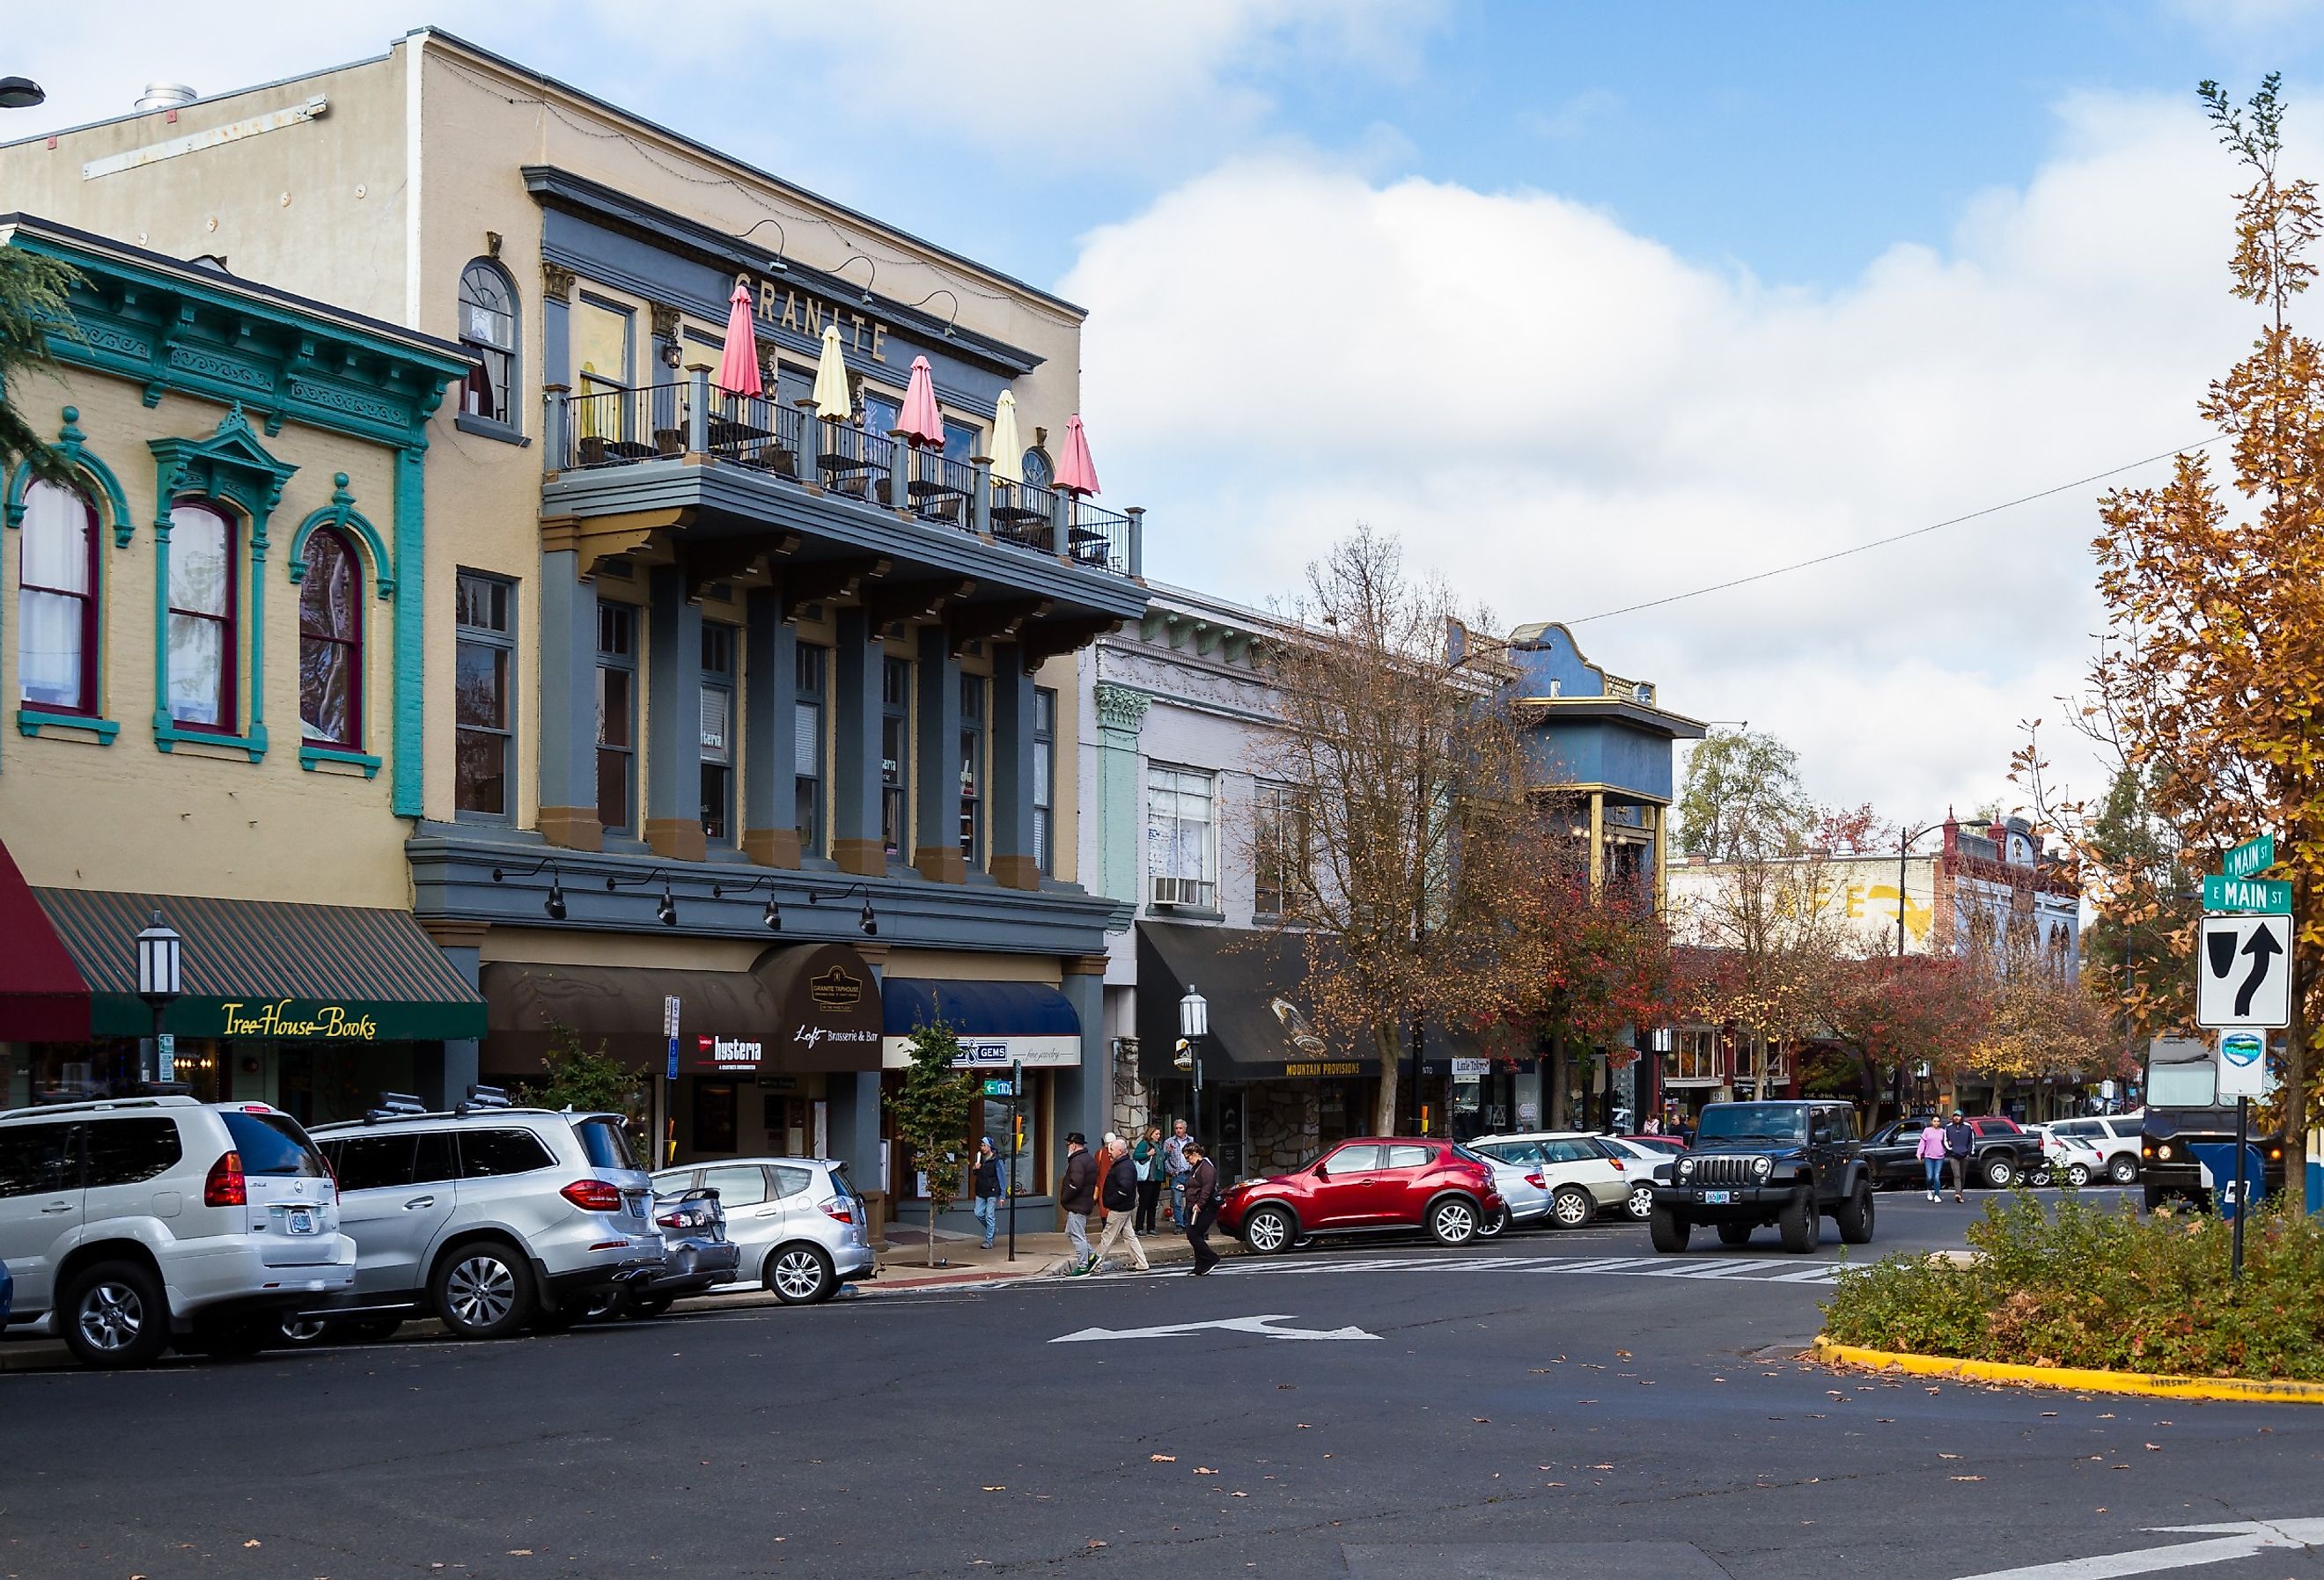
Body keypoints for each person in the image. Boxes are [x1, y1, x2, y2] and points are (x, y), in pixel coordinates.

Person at [1091, 1135, 1151, 1273]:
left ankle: (1094, 1264)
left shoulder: (1124, 1167)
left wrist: (1112, 1201)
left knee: (1107, 1236)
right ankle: (1141, 1263)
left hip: (1119, 1208)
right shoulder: (1124, 1164)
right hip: (1124, 1207)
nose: (1109, 1152)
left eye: (1111, 1149)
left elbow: (1125, 1189)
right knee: (1129, 1236)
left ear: (1120, 1151)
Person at [1059, 1132, 1098, 1274]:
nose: (1067, 1147)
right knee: (1070, 1232)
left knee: (1077, 1235)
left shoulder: (1077, 1161)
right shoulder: (1087, 1158)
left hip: (1077, 1204)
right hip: (1083, 1202)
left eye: (1068, 1144)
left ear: (1074, 1145)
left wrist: (1064, 1198)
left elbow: (1075, 1184)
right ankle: (1091, 1255)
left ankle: (1083, 1266)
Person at [1183, 1142, 1223, 1275]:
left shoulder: (1206, 1168)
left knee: (1193, 1234)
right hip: (1194, 1204)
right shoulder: (1197, 1167)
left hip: (1204, 1207)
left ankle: (1211, 1258)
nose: (1187, 1161)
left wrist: (1199, 1204)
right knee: (1196, 1235)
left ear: (1195, 1154)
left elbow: (1207, 1189)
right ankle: (1199, 1265)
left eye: (1188, 1157)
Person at [970, 1136, 1004, 1250]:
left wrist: (1002, 1195)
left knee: (989, 1215)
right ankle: (992, 1230)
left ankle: (988, 1240)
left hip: (992, 1191)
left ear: (990, 1146)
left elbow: (1002, 1177)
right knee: (978, 1213)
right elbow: (975, 1172)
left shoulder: (997, 1159)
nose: (983, 1148)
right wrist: (975, 1168)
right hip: (980, 1190)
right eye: (982, 1145)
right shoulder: (979, 1157)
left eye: (985, 1145)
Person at [1132, 1126, 1165, 1233]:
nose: (1158, 1136)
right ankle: (1139, 1227)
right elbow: (1136, 1155)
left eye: (1159, 1134)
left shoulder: (1158, 1145)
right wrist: (1148, 1154)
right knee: (1144, 1203)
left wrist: (1167, 1153)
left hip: (1157, 1178)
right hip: (1146, 1178)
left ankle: (1151, 1228)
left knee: (1153, 1204)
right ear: (1150, 1134)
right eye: (1156, 1134)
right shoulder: (1144, 1144)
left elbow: (1161, 1158)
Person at [1163, 1119, 1195, 1225]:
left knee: (1190, 1199)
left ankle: (1186, 1222)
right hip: (1177, 1175)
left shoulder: (1191, 1140)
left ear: (1185, 1129)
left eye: (1180, 1128)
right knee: (1177, 1201)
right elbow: (1164, 1159)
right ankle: (1179, 1224)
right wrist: (1171, 1171)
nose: (1178, 1130)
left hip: (1189, 1173)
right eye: (1176, 1128)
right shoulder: (1169, 1142)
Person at [1942, 1111, 1975, 1203]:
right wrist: (1951, 1149)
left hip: (1965, 1155)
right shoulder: (1948, 1127)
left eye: (1958, 1116)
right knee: (1957, 1175)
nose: (1956, 1118)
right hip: (1954, 1155)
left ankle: (1960, 1192)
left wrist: (1969, 1153)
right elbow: (1945, 1140)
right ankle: (1958, 1194)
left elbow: (1971, 1140)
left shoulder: (1968, 1127)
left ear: (1962, 1117)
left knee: (1963, 1176)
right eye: (1955, 1116)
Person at [1914, 1118, 1948, 1202]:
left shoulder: (1943, 1132)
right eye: (1934, 1121)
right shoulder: (1927, 1131)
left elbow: (1947, 1143)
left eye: (1938, 1121)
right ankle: (1929, 1190)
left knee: (1937, 1176)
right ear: (1931, 1122)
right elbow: (1922, 1143)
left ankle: (1937, 1195)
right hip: (1928, 1156)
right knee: (1929, 1177)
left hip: (1939, 1157)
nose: (1936, 1123)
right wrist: (1919, 1153)